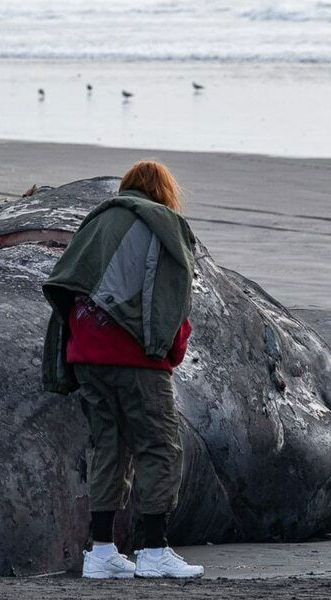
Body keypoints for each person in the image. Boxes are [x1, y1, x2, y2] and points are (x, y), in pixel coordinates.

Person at [42, 160, 204, 579]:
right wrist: (169, 350)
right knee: (159, 446)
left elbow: (66, 286)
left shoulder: (96, 222)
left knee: (108, 447)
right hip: (135, 359)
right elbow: (171, 296)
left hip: (87, 355)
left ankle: (101, 552)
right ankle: (154, 551)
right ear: (163, 192)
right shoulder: (162, 224)